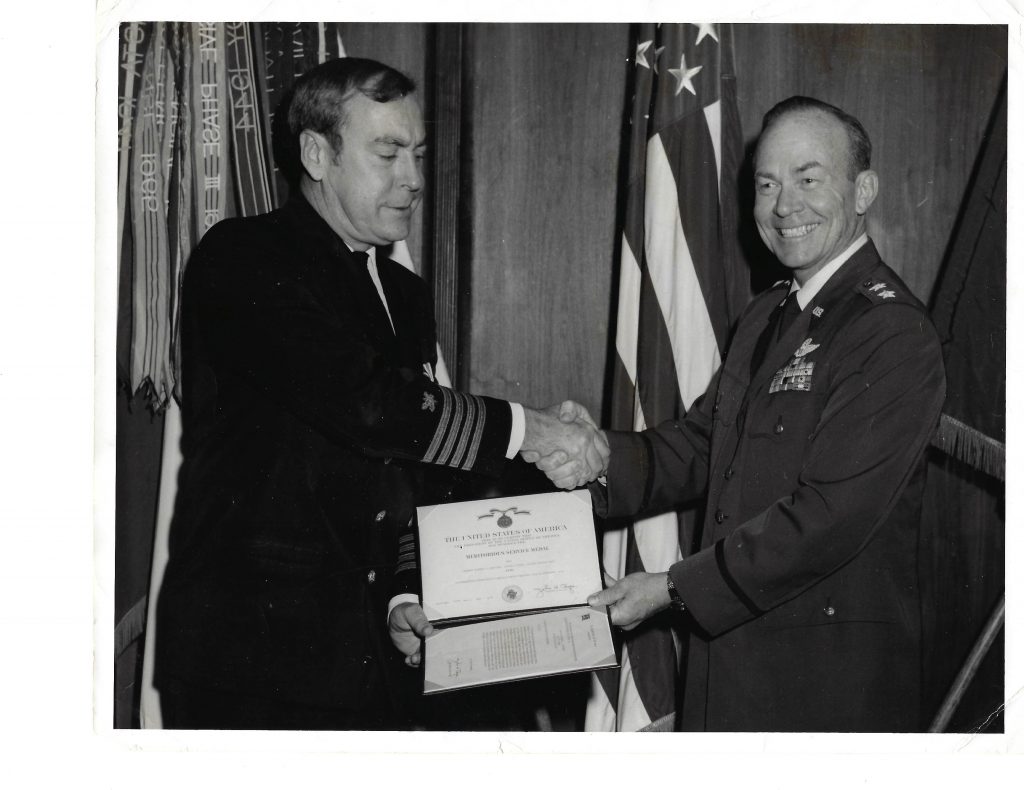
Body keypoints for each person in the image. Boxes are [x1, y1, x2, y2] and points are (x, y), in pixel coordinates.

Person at [153, 57, 607, 730]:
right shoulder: (244, 257)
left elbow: (410, 466)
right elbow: (368, 406)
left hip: (372, 660)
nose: (414, 179)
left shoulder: (404, 294)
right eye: (388, 154)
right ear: (317, 154)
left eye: (418, 155)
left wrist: (404, 591)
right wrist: (534, 431)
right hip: (254, 661)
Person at [533, 96, 946, 732]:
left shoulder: (889, 330)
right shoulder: (768, 312)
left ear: (863, 191)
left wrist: (672, 588)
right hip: (732, 660)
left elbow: (827, 518)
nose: (785, 206)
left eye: (808, 180)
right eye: (767, 184)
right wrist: (600, 456)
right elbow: (706, 443)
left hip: (820, 684)